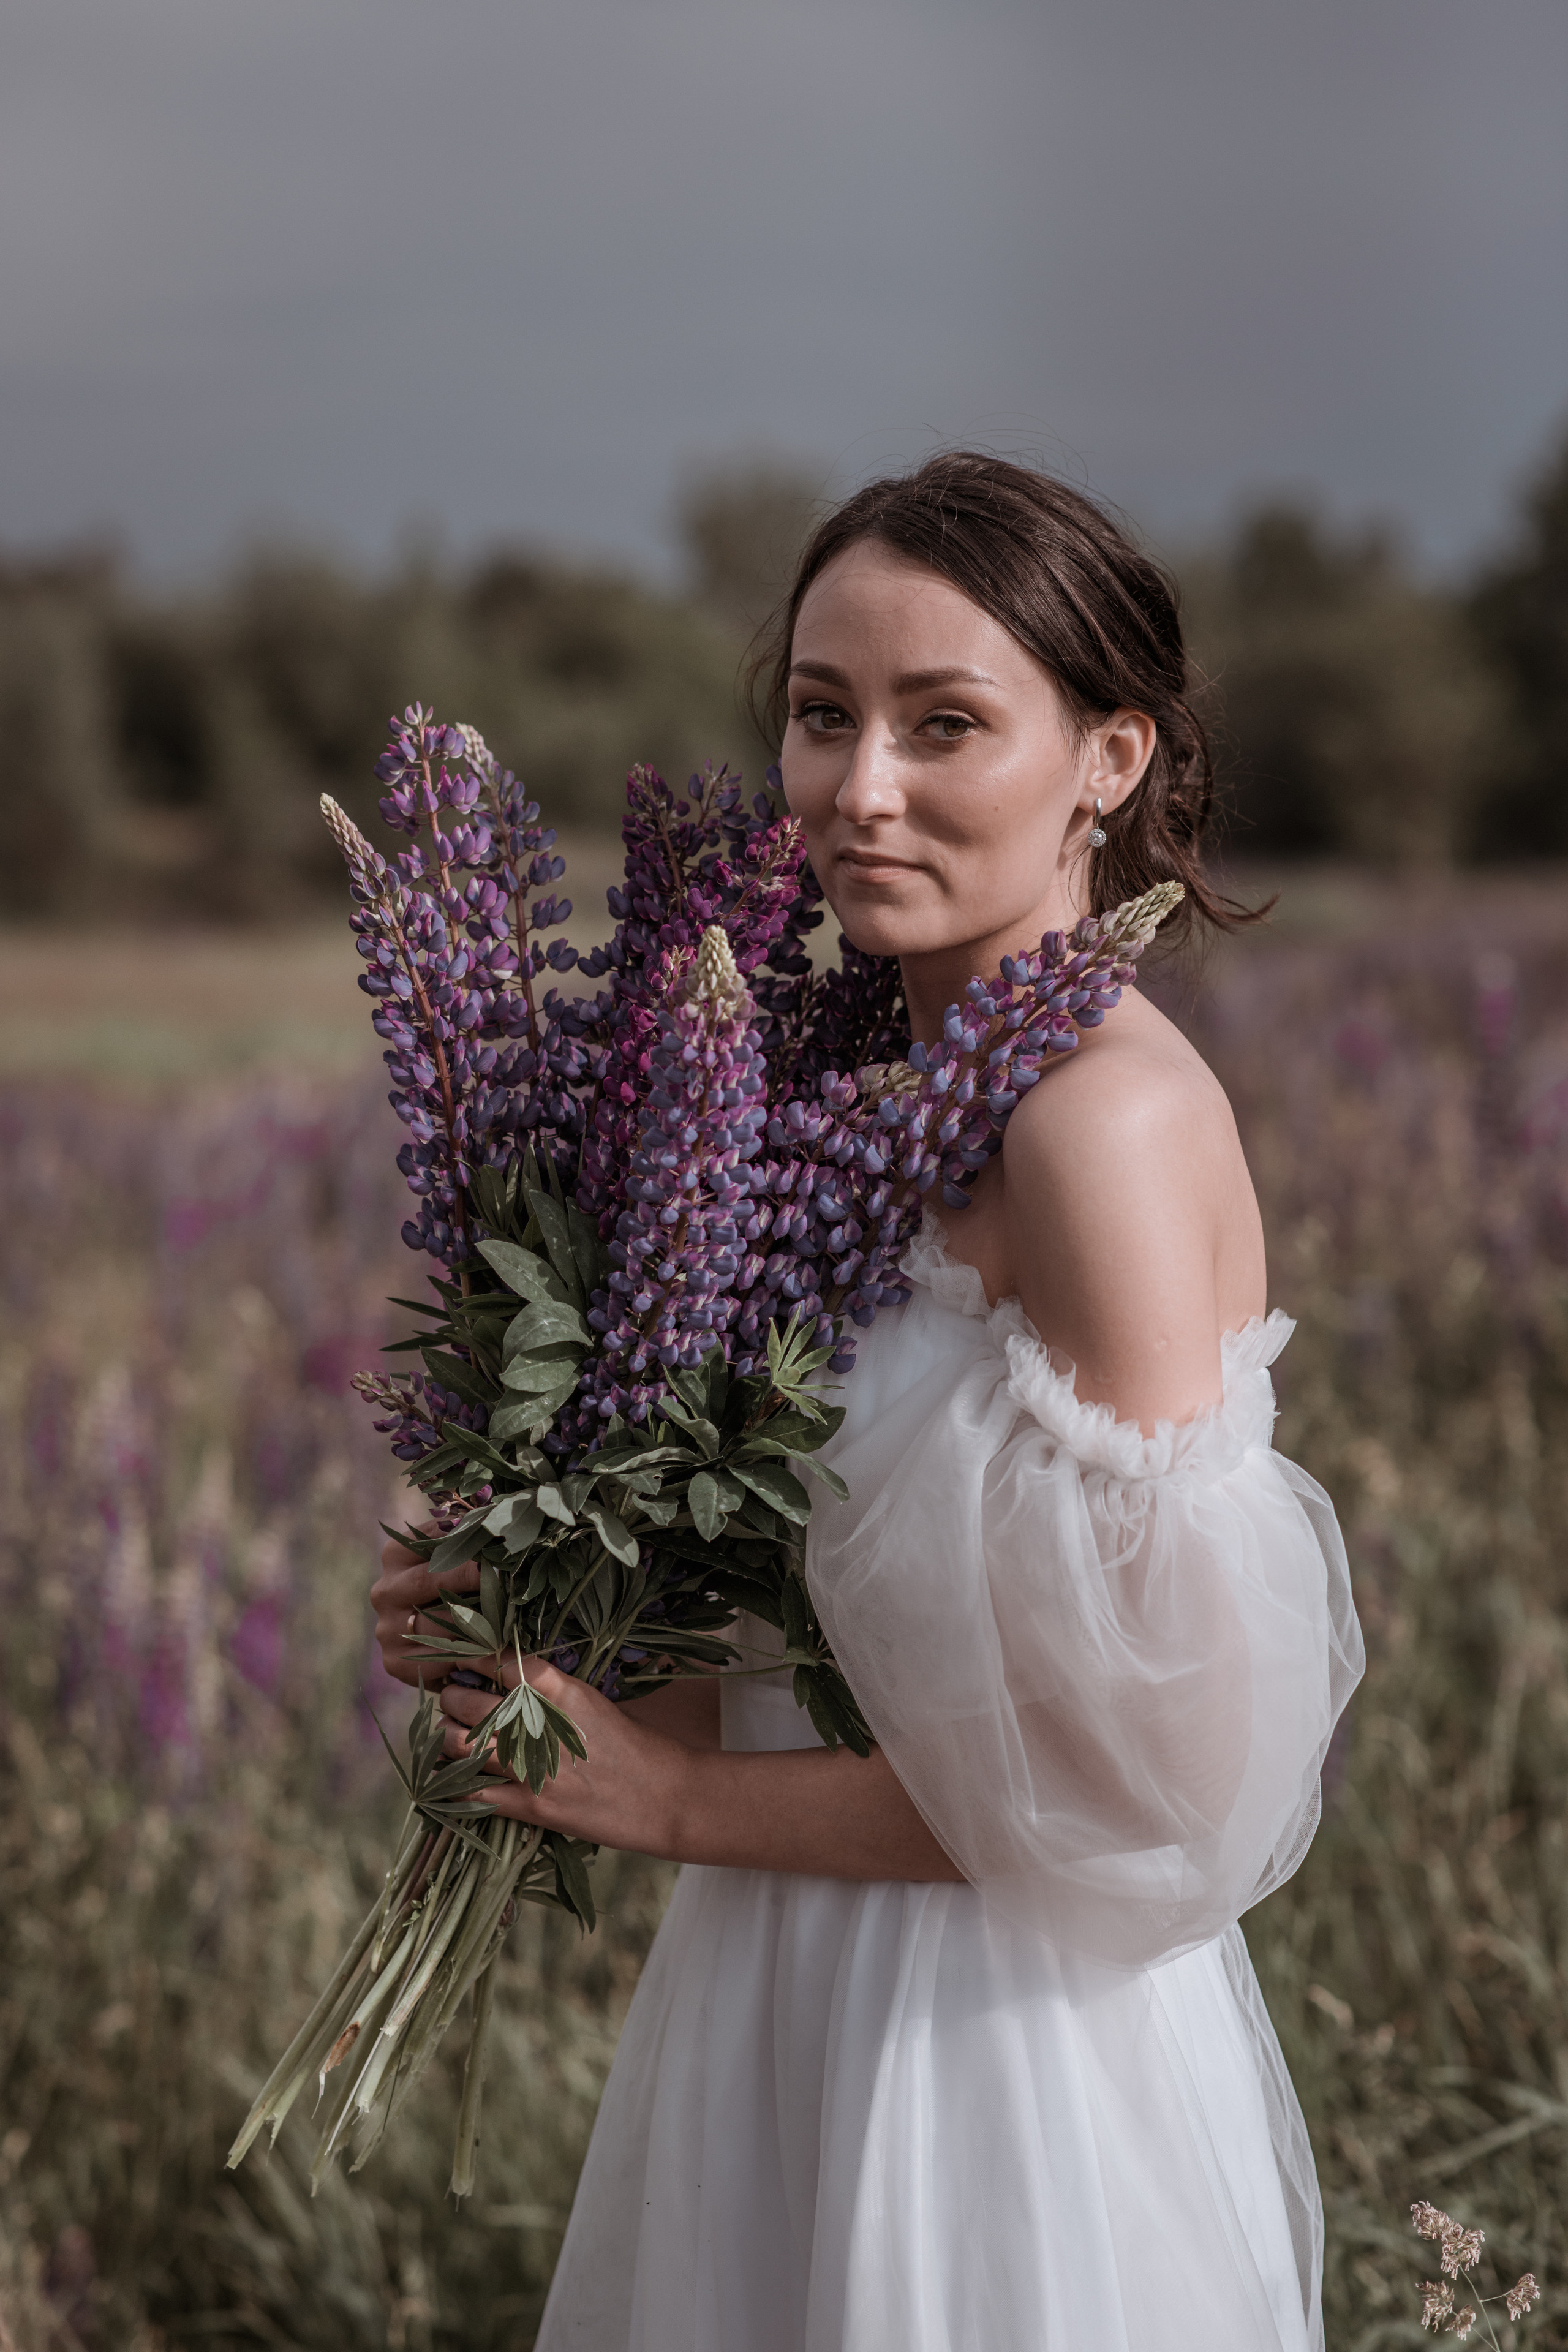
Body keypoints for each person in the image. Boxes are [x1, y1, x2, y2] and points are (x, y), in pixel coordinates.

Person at [372, 453, 1363, 2352]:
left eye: (947, 722)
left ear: (1111, 759)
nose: (860, 788)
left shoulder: (1106, 1129)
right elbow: (756, 1646)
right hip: (773, 1995)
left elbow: (1141, 1788)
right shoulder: (820, 1094)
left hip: (1002, 2062)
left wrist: (665, 1796)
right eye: (823, 716)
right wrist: (519, 1630)